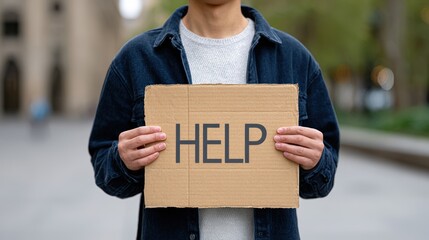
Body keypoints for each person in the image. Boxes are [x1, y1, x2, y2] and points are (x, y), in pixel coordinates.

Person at [88, 0, 340, 239]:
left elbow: (323, 176)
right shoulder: (136, 59)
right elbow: (104, 164)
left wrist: (316, 161)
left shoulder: (293, 58)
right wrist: (122, 160)